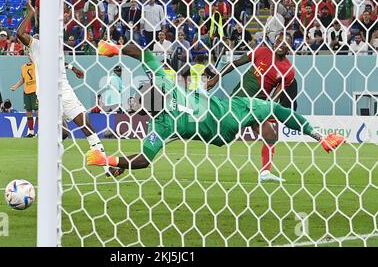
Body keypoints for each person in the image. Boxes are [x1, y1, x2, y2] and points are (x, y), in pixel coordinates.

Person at [88, 41, 344, 177]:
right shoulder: (165, 85)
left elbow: (144, 160)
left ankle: (291, 154)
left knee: (271, 117)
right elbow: (143, 54)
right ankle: (321, 138)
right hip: (227, 112)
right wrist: (116, 49)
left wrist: (108, 160)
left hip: (219, 131)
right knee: (275, 109)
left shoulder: (160, 127)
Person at [16, 0, 117, 176]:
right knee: (62, 133)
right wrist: (31, 13)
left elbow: (60, 63)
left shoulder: (56, 47)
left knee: (87, 125)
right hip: (47, 95)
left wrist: (74, 69)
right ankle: (48, 168)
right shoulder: (36, 46)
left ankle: (107, 166)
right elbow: (19, 33)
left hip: (65, 91)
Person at [206, 33, 297, 182]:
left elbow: (277, 94)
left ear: (290, 47)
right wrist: (216, 78)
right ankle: (182, 128)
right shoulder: (262, 51)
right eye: (278, 41)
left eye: (284, 43)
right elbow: (235, 62)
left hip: (257, 106)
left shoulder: (288, 70)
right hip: (238, 101)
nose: (279, 44)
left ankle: (265, 172)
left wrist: (267, 108)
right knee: (220, 134)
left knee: (270, 134)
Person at [11, 59, 38, 137]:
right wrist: (15, 86)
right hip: (26, 92)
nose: (30, 55)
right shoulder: (23, 67)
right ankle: (31, 132)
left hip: (35, 91)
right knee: (28, 112)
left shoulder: (38, 65)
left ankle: (41, 132)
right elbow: (23, 79)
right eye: (28, 53)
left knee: (38, 112)